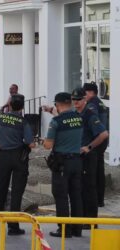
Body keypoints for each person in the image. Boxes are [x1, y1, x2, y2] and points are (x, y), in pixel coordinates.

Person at [0, 94, 34, 235]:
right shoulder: (23, 122)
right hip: (19, 158)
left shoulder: (0, 118)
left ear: (9, 105)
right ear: (22, 106)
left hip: (3, 156)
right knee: (17, 192)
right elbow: (31, 144)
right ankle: (13, 227)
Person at [43, 92, 83, 238]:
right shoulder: (79, 118)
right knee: (76, 195)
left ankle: (64, 229)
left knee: (61, 196)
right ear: (70, 103)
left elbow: (48, 145)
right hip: (77, 162)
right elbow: (65, 117)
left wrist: (44, 140)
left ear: (58, 105)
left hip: (62, 164)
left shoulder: (56, 122)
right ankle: (77, 229)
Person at [71, 88, 108, 225]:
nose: (75, 102)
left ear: (84, 99)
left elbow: (103, 134)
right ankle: (81, 219)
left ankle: (91, 221)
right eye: (73, 100)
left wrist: (89, 147)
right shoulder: (74, 114)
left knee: (89, 188)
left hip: (88, 156)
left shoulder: (90, 115)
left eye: (78, 99)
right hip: (77, 156)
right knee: (78, 188)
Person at [83, 82, 109, 207]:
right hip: (103, 141)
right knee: (100, 170)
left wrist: (90, 144)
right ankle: (100, 199)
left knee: (94, 172)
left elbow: (93, 121)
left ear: (90, 92)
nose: (83, 96)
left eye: (84, 93)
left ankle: (97, 199)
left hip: (97, 140)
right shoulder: (101, 102)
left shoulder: (92, 104)